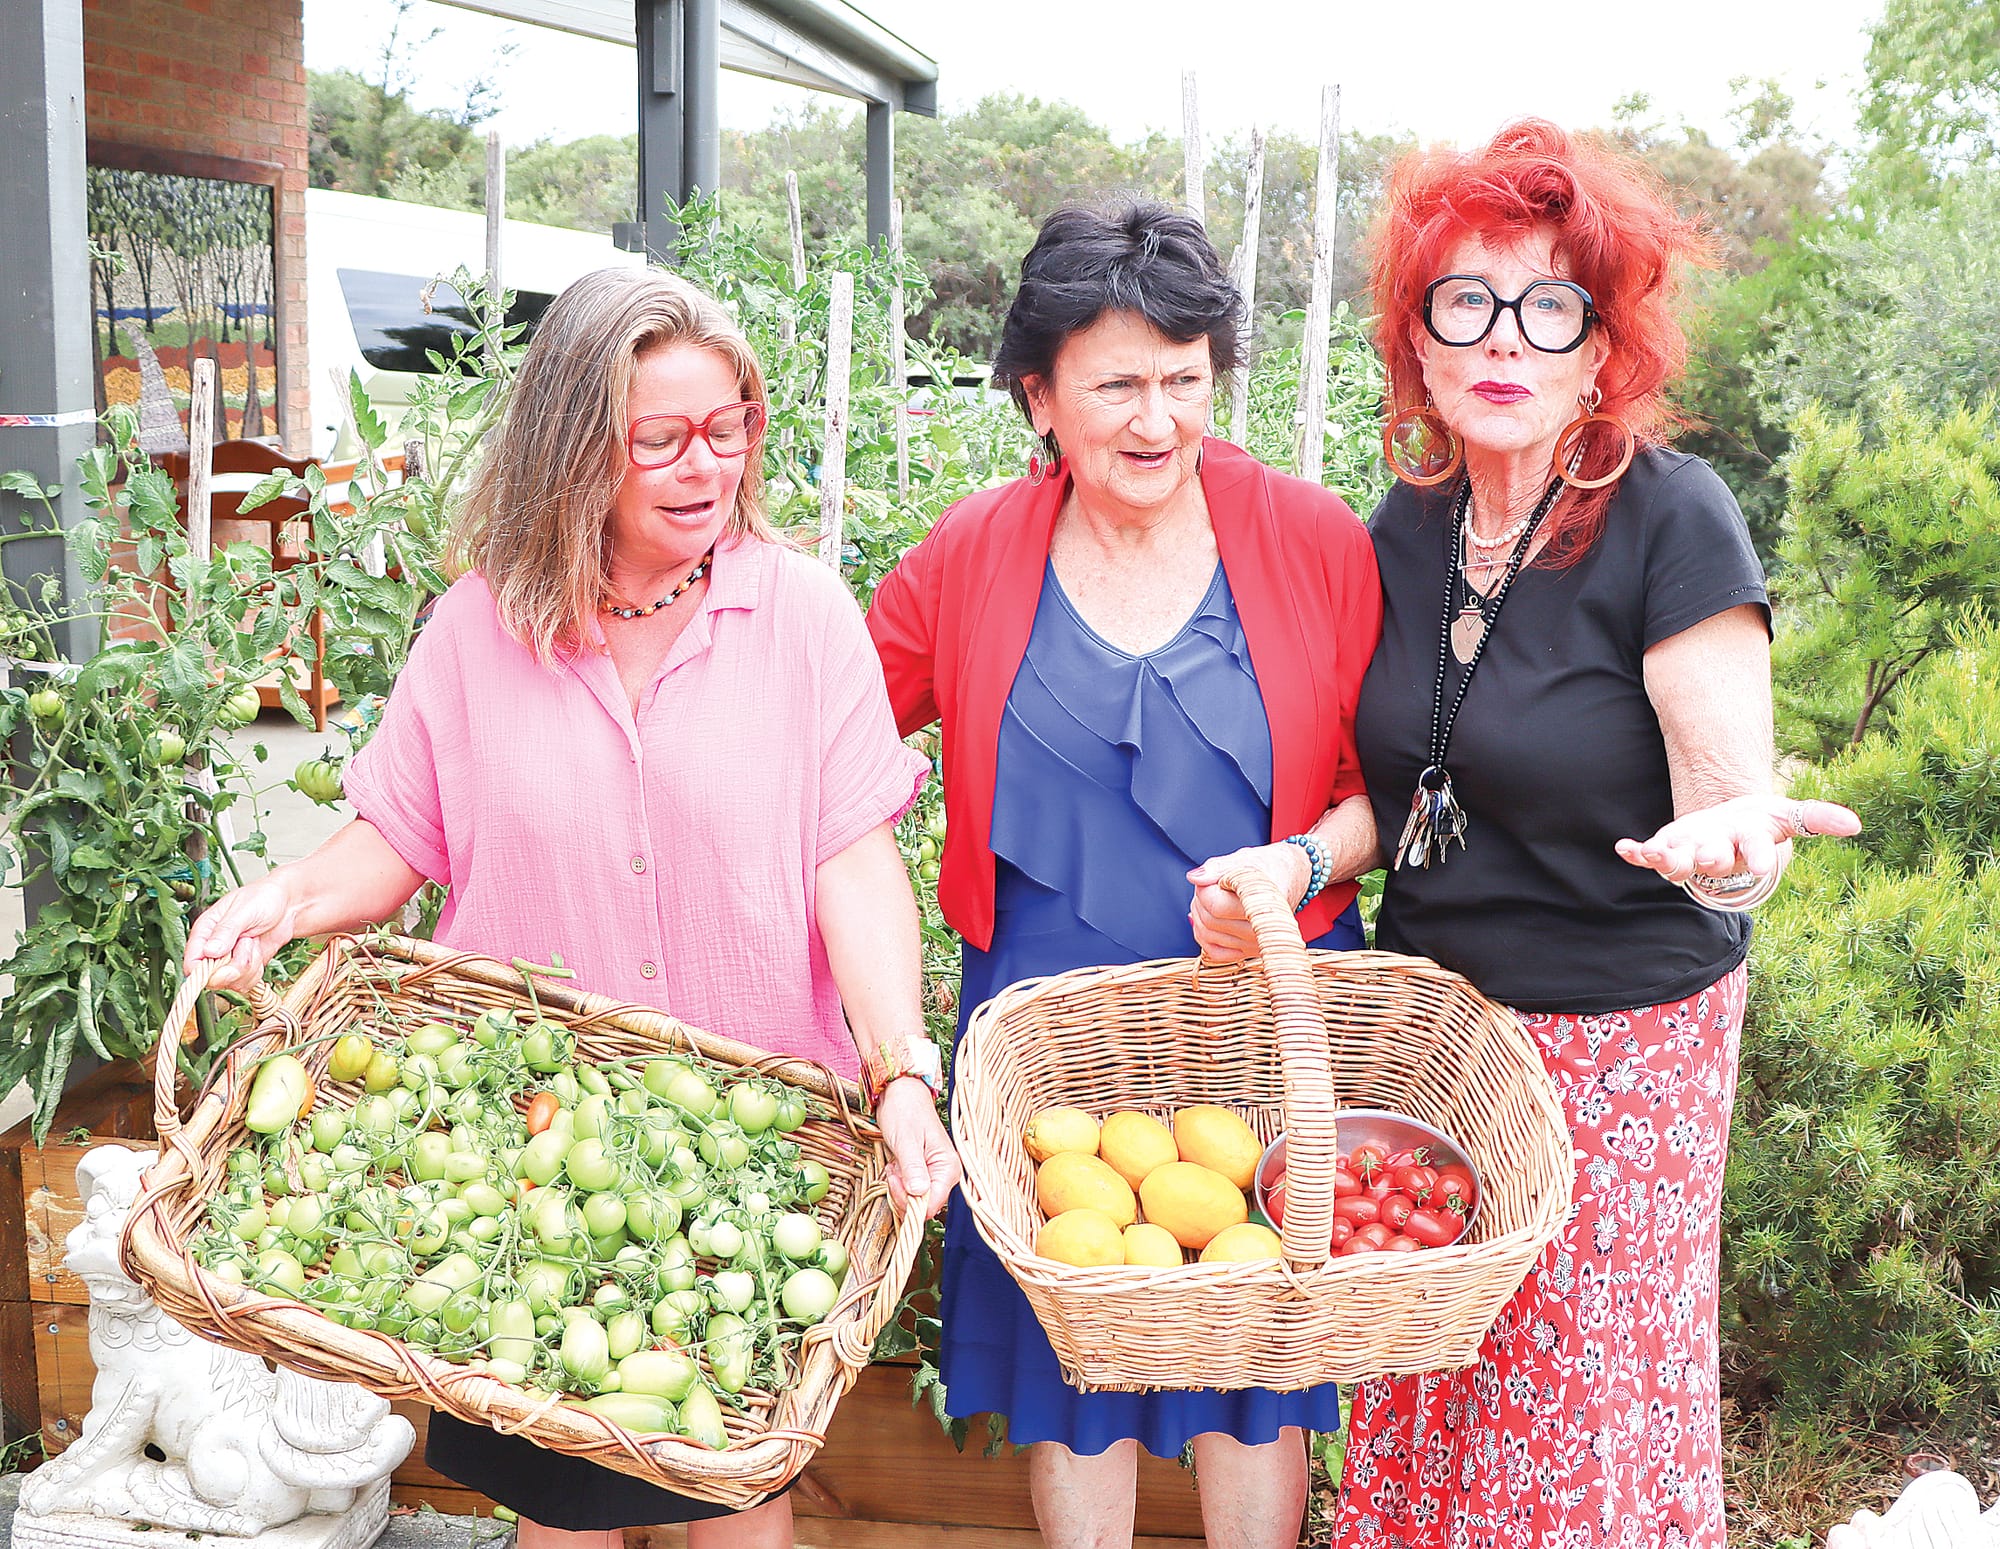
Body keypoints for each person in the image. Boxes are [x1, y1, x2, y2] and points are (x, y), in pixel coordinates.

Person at [183, 266, 960, 1549]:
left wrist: (898, 1074)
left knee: (739, 1495)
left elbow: (851, 856)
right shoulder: (479, 630)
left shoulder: (803, 616)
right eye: (658, 438)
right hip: (528, 1161)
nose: (702, 465)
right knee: (559, 1518)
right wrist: (285, 897)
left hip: (749, 1158)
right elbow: (396, 837)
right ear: (572, 443)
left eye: (728, 429)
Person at [1335, 120, 1861, 1549]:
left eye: (1548, 304)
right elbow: (1402, 792)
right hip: (1439, 1036)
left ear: (1598, 343)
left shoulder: (1671, 518)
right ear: (1421, 344)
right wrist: (1308, 859)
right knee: (1431, 1377)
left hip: (1622, 1044)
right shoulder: (1408, 523)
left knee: (1571, 1394)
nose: (1504, 338)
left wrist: (1735, 850)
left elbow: (1733, 813)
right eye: (1467, 300)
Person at [867, 201, 1382, 1549]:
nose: (1156, 418)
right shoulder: (972, 554)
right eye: (1117, 385)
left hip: (1260, 1025)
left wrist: (1300, 860)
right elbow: (836, 737)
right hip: (1048, 1054)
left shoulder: (1315, 542)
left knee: (1255, 1386)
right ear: (1039, 395)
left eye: (1184, 377)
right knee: (1071, 1377)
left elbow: (1403, 789)